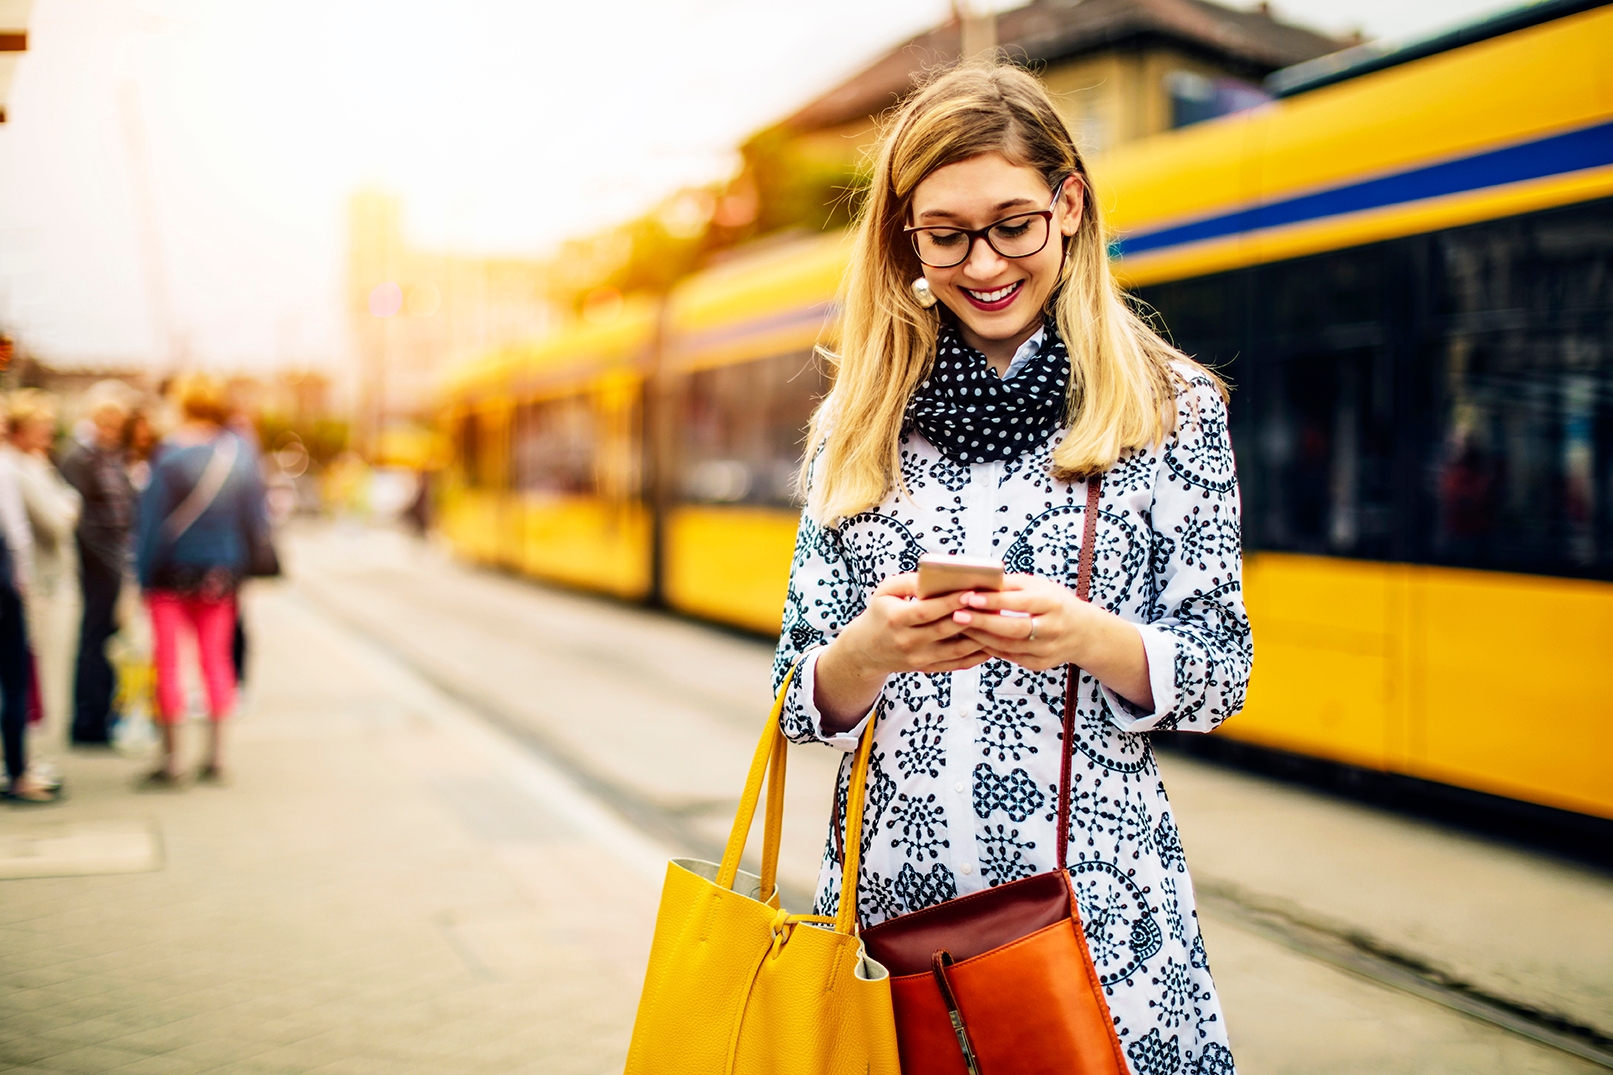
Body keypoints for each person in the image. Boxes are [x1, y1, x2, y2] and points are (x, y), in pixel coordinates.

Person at [772, 65, 1252, 1073]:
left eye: (1012, 225)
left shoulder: (1170, 408)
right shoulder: (856, 425)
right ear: (905, 237)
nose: (981, 263)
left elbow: (1219, 671)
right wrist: (865, 650)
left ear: (1068, 205)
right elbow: (794, 697)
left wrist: (1084, 634)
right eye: (943, 234)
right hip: (888, 919)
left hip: (1094, 921)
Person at [135, 373, 266, 785]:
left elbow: (151, 525)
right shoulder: (241, 456)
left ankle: (172, 761)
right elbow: (255, 522)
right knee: (217, 662)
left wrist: (141, 578)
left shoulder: (170, 455)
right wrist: (241, 570)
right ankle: (218, 757)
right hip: (221, 575)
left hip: (169, 574)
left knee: (169, 663)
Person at [5, 390, 83, 777]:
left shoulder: (36, 464)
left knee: (31, 676)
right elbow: (56, 519)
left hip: (38, 581)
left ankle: (23, 758)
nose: (49, 434)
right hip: (34, 584)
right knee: (29, 675)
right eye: (42, 427)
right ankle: (18, 762)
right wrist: (68, 507)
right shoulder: (16, 468)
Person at [60, 382, 136, 745]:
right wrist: (110, 564)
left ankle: (106, 714)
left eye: (116, 419)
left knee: (110, 640)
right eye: (105, 418)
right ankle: (88, 722)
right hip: (98, 564)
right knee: (95, 639)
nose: (111, 426)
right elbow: (80, 520)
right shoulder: (78, 458)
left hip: (118, 560)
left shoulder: (115, 456)